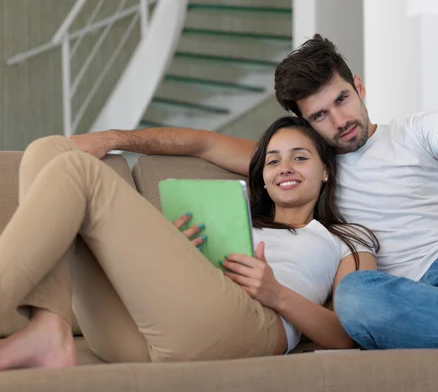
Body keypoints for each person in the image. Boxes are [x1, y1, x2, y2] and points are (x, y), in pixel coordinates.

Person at [72, 34, 438, 372]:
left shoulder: (411, 133)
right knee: (356, 299)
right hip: (426, 303)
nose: (339, 119)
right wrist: (111, 139)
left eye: (342, 99)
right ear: (306, 124)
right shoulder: (309, 168)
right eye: (320, 115)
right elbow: (203, 143)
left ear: (359, 87)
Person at [0, 116, 378, 370]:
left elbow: (348, 336)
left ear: (326, 171)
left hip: (250, 326)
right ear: (262, 176)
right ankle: (50, 328)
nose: (285, 169)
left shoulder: (346, 238)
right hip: (151, 331)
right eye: (274, 161)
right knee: (46, 150)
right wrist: (174, 250)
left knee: (76, 170)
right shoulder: (236, 216)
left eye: (300, 158)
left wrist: (274, 293)